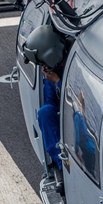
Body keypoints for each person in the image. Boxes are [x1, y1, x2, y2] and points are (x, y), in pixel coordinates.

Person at [24, 23, 69, 176]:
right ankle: (62, 165)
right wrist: (52, 80)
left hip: (80, 115)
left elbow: (79, 101)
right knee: (45, 112)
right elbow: (51, 102)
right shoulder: (51, 72)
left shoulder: (72, 67)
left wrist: (58, 82)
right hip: (64, 114)